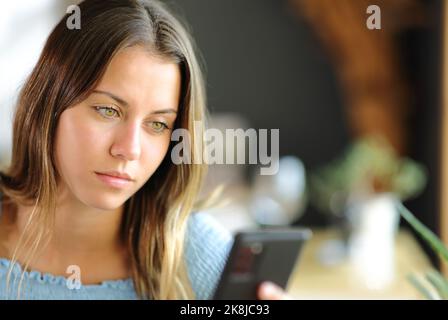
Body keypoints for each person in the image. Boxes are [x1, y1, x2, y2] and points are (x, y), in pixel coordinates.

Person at [0, 0, 289, 300]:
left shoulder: (192, 251)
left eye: (158, 124)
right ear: (49, 103)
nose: (130, 150)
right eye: (108, 110)